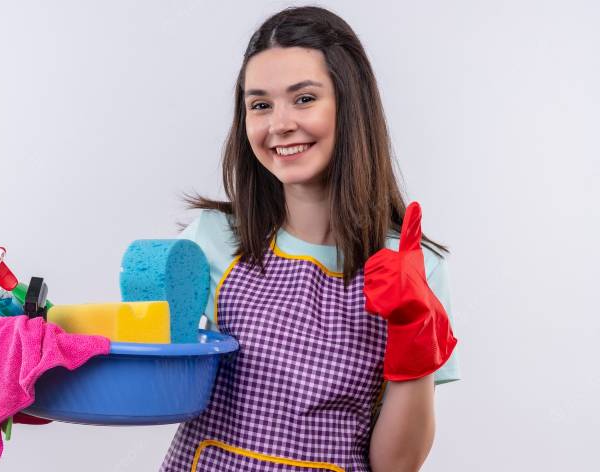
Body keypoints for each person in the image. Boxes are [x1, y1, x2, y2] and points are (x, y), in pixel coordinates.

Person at [159, 6, 461, 472]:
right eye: (260, 105)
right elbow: (149, 371)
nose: (279, 124)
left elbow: (396, 466)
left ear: (350, 103)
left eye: (303, 99)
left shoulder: (410, 266)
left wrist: (413, 334)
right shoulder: (212, 240)